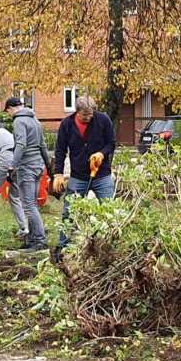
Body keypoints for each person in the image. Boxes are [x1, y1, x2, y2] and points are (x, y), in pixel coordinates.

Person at [53, 96, 116, 249]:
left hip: (102, 175)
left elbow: (111, 143)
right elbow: (60, 150)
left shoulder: (103, 120)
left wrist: (102, 153)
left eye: (90, 114)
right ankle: (64, 247)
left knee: (110, 211)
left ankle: (111, 245)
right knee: (69, 211)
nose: (88, 117)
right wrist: (58, 174)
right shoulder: (67, 124)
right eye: (85, 115)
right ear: (77, 112)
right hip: (78, 176)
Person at [6, 97, 50, 252]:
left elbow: (21, 144)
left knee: (29, 205)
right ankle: (31, 240)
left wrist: (12, 165)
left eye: (8, 111)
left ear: (11, 108)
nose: (9, 114)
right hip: (38, 166)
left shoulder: (18, 121)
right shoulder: (35, 120)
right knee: (32, 204)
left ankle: (40, 241)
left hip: (27, 167)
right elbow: (43, 145)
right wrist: (48, 166)